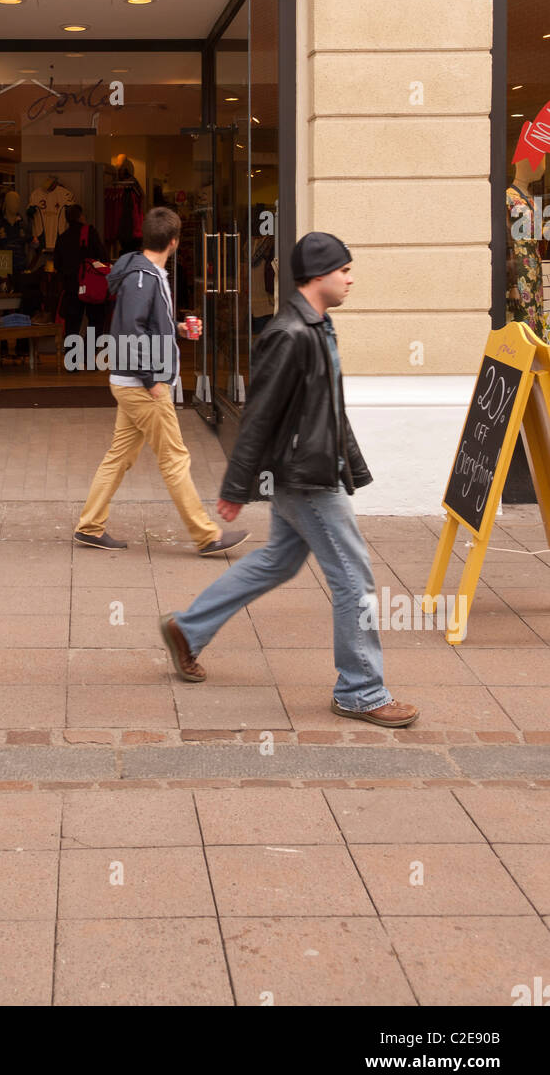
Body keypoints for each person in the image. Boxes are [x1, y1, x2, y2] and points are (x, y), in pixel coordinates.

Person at [158, 231, 419, 728]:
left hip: (315, 468)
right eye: (344, 269)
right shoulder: (289, 333)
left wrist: (350, 464)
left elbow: (328, 410)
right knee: (354, 579)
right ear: (318, 275)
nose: (350, 277)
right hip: (305, 479)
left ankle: (188, 630)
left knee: (277, 562)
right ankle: (361, 691)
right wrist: (237, 487)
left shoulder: (319, 325)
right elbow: (259, 416)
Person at [74, 206, 249, 557]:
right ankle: (206, 535)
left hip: (131, 382)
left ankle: (89, 526)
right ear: (174, 241)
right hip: (141, 385)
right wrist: (152, 379)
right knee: (175, 458)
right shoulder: (145, 277)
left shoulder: (146, 272)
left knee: (119, 456)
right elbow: (131, 329)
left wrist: (177, 329)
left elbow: (142, 325)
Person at [54, 204, 108, 342]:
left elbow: (57, 264)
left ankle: (72, 357)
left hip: (71, 287)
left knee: (72, 323)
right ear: (80, 217)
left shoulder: (62, 238)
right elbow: (103, 257)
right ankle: (88, 353)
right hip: (90, 285)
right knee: (95, 320)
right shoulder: (89, 232)